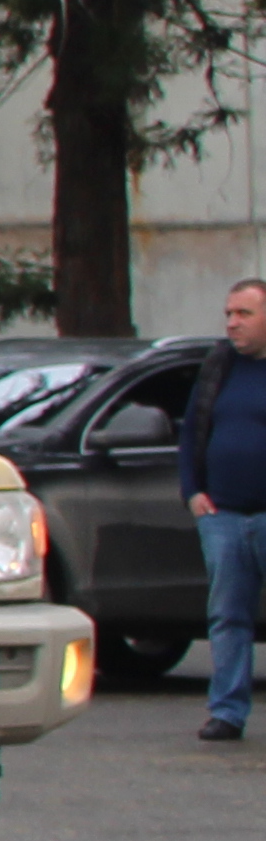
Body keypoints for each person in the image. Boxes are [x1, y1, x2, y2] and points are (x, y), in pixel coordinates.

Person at [180, 275, 266, 739]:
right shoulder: (220, 367)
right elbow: (193, 428)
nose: (232, 324)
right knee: (228, 615)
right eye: (229, 314)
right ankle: (227, 712)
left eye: (244, 314)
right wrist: (193, 492)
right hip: (224, 517)